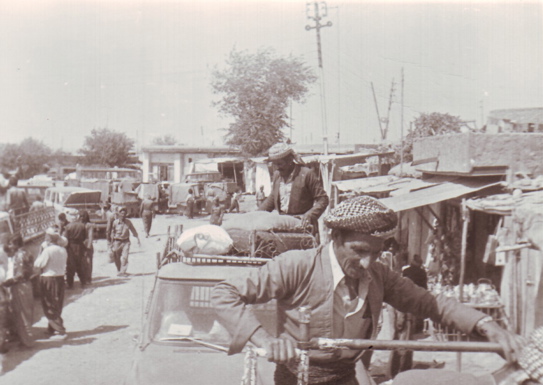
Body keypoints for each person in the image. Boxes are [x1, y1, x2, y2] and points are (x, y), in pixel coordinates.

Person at [212, 196, 524, 385]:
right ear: (334, 238)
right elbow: (224, 293)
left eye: (375, 253)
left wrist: (486, 325)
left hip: (348, 377)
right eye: (359, 251)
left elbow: (431, 303)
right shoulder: (297, 266)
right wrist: (266, 340)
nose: (367, 262)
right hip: (297, 379)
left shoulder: (380, 276)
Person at [258, 142, 329, 240]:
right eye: (274, 164)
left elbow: (323, 199)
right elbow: (272, 198)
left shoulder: (306, 174)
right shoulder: (277, 176)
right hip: (284, 225)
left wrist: (309, 215)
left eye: (280, 164)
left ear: (290, 160)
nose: (277, 167)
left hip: (303, 226)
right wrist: (257, 214)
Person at [33, 227, 68, 340]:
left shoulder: (48, 251)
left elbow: (39, 264)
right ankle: (52, 327)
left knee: (48, 303)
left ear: (49, 237)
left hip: (48, 278)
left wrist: (40, 253)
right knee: (56, 303)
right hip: (60, 278)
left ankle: (59, 328)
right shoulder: (63, 250)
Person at [2, 233, 35, 347]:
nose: (10, 246)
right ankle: (25, 339)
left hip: (20, 286)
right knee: (26, 312)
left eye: (11, 244)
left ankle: (27, 342)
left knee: (22, 314)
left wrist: (7, 282)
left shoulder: (19, 255)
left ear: (16, 243)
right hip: (27, 284)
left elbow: (20, 274)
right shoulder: (26, 252)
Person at [109, 207, 140, 277]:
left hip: (126, 242)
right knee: (116, 256)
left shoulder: (128, 222)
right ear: (119, 214)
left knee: (125, 257)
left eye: (124, 213)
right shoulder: (115, 222)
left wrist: (137, 238)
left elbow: (133, 230)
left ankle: (123, 271)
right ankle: (119, 269)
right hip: (117, 242)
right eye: (122, 213)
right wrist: (111, 243)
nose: (123, 215)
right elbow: (112, 232)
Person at [63, 211, 88, 289]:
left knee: (70, 266)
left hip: (70, 247)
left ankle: (70, 284)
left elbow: (65, 239)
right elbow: (85, 237)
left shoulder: (68, 227)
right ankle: (83, 282)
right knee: (80, 264)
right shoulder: (82, 226)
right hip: (80, 246)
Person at [79, 210, 94, 284]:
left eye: (83, 216)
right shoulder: (78, 224)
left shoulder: (89, 225)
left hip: (87, 245)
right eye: (80, 216)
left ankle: (88, 278)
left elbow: (90, 236)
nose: (82, 218)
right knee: (81, 263)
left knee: (88, 262)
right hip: (80, 246)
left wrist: (88, 247)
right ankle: (83, 278)